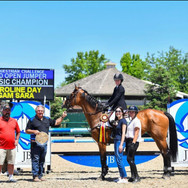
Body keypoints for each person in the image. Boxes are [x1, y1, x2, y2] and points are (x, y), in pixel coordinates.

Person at [26, 105, 67, 182]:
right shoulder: (32, 120)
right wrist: (34, 131)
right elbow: (26, 130)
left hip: (44, 143)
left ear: (43, 111)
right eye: (39, 111)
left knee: (42, 160)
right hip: (35, 143)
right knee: (35, 159)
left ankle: (40, 175)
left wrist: (62, 117)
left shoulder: (47, 119)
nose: (40, 112)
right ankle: (35, 176)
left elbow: (56, 122)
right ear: (36, 111)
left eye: (41, 111)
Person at [0, 104, 20, 182]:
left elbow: (18, 132)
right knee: (0, 163)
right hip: (1, 146)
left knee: (11, 163)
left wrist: (17, 140)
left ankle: (11, 177)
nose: (7, 112)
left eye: (8, 110)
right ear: (3, 111)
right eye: (6, 110)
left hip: (12, 146)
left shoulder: (14, 121)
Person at [125, 105, 141, 183]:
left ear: (135, 113)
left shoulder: (136, 121)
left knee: (129, 159)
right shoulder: (131, 120)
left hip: (133, 141)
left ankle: (137, 176)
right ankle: (133, 176)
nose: (131, 113)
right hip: (128, 141)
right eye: (130, 112)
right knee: (131, 159)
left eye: (133, 112)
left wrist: (133, 143)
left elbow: (136, 132)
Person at [113, 107, 128, 183]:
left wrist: (121, 144)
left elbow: (123, 133)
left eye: (119, 111)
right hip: (116, 140)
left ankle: (124, 177)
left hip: (120, 141)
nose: (117, 112)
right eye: (116, 111)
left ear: (122, 112)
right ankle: (121, 176)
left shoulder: (123, 121)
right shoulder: (118, 121)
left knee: (119, 159)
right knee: (118, 159)